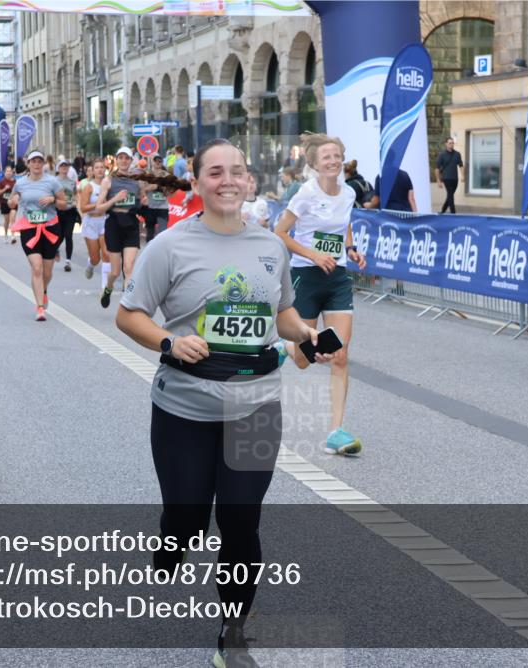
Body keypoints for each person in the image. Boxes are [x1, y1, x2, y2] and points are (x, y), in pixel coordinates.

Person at [116, 138, 329, 668]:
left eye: (236, 171)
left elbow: (281, 313)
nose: (227, 180)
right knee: (187, 517)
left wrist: (305, 333)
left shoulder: (270, 246)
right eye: (215, 172)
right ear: (196, 182)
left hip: (256, 406)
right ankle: (173, 539)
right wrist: (168, 341)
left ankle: (233, 633)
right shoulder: (170, 246)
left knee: (240, 522)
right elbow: (129, 315)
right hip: (184, 408)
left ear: (249, 181)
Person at [275, 132, 367, 455]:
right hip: (306, 277)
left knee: (339, 353)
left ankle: (336, 432)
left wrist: (350, 248)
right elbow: (280, 232)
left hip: (337, 278)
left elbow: (344, 225)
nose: (333, 161)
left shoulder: (349, 193)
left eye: (337, 156)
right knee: (304, 360)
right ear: (315, 163)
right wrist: (313, 255)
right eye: (326, 157)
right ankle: (287, 347)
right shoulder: (306, 194)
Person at [8, 149, 68, 321]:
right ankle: (40, 307)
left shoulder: (52, 182)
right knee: (36, 268)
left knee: (47, 272)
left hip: (50, 228)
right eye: (33, 161)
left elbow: (64, 204)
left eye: (39, 161)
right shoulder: (20, 183)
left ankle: (44, 290)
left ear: (43, 164)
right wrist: (13, 201)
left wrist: (53, 200)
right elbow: (11, 202)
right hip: (29, 228)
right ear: (28, 164)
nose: (36, 164)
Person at [97, 147, 144, 309]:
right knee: (115, 271)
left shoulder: (137, 180)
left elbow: (142, 200)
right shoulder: (108, 181)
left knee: (129, 267)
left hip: (131, 223)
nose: (124, 161)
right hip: (114, 224)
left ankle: (127, 304)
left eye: (127, 158)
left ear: (131, 161)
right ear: (116, 160)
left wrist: (143, 203)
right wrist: (115, 199)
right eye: (121, 158)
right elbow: (99, 208)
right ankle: (108, 288)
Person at [78, 158, 111, 283]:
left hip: (104, 221)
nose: (99, 170)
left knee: (106, 254)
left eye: (102, 167)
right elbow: (83, 207)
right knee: (96, 259)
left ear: (105, 169)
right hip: (91, 223)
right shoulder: (89, 187)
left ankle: (105, 287)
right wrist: (98, 204)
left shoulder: (109, 185)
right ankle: (91, 265)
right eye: (97, 167)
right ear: (92, 171)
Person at [55, 159, 79, 271]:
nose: (64, 168)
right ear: (58, 168)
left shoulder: (72, 182)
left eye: (66, 166)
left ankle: (68, 261)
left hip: (70, 212)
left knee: (68, 235)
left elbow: (75, 195)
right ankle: (55, 249)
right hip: (58, 211)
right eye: (62, 166)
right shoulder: (54, 181)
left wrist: (75, 202)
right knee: (59, 235)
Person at [435, 137, 464, 214]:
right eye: (450, 143)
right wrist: (438, 181)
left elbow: (461, 165)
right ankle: (453, 213)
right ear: (446, 144)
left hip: (455, 179)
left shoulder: (457, 154)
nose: (451, 144)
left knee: (450, 195)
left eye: (452, 143)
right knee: (451, 195)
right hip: (446, 178)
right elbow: (437, 169)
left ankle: (443, 210)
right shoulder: (442, 155)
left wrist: (463, 176)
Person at [0, 165, 17, 244]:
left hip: (13, 202)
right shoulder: (2, 182)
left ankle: (13, 236)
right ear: (4, 173)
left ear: (12, 172)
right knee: (7, 220)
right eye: (7, 171)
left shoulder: (15, 182)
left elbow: (18, 192)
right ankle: (5, 235)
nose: (8, 173)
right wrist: (5, 189)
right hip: (4, 203)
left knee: (13, 218)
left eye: (10, 171)